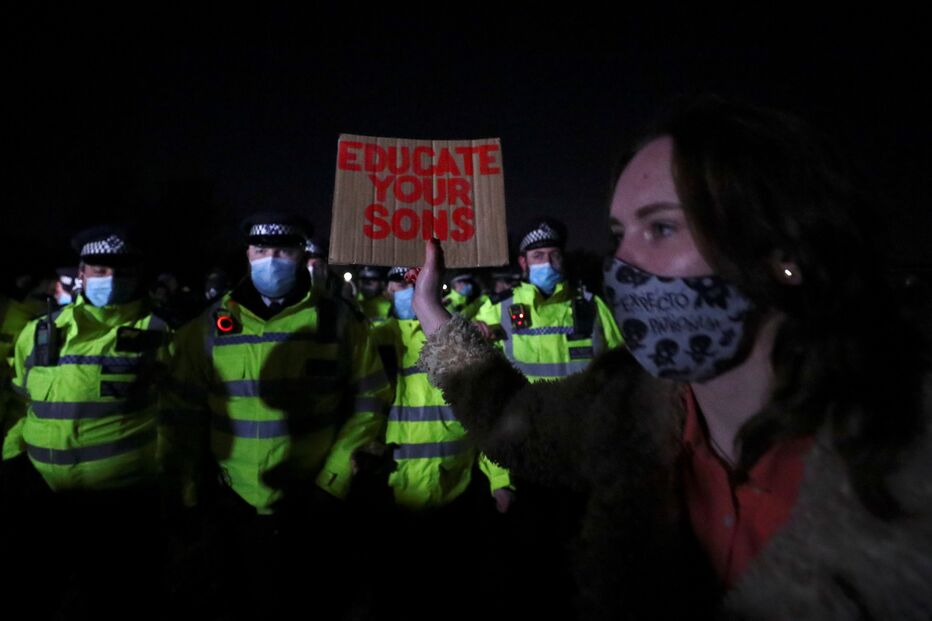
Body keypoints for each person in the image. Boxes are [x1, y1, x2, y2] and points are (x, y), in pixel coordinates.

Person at [410, 98, 932, 619]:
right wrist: (430, 310)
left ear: (783, 253)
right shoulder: (625, 411)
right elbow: (508, 418)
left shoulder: (906, 480)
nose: (623, 261)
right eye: (618, 235)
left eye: (660, 228)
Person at [166, 212, 391, 617]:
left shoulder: (341, 323)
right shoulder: (206, 326)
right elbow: (182, 411)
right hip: (232, 503)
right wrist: (191, 489)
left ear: (302, 254)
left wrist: (334, 479)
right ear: (247, 255)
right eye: (261, 250)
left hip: (313, 502)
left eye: (284, 250)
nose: (272, 260)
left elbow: (370, 400)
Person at [3, 225, 172, 617]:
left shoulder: (161, 333)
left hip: (121, 511)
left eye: (121, 270)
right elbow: (22, 403)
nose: (109, 278)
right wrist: (10, 463)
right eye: (99, 269)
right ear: (81, 273)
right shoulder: (41, 331)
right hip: (42, 503)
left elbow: (181, 417)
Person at [472, 218, 623, 382]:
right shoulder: (498, 308)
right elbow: (471, 359)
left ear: (563, 259)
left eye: (554, 255)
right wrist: (473, 336)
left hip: (584, 406)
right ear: (524, 263)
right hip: (526, 407)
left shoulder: (592, 305)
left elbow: (621, 362)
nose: (548, 263)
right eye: (538, 256)